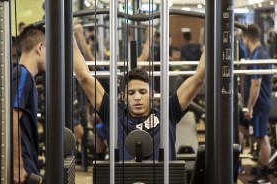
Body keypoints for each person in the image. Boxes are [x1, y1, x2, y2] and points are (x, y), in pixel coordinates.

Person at [72, 32, 205, 160]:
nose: (137, 97)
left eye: (142, 92)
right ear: (123, 97)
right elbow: (84, 77)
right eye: (131, 93)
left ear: (152, 95)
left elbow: (198, 78)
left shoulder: (168, 111)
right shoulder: (113, 113)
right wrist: (69, 35)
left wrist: (215, 33)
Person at [12, 26, 46, 183]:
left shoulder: (25, 77)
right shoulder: (22, 75)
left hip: (28, 163)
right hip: (24, 168)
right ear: (40, 47)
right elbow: (12, 118)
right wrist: (18, 167)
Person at [241, 24, 272, 184]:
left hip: (259, 104)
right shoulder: (259, 53)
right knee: (244, 129)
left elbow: (256, 85)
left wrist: (250, 107)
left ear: (246, 38)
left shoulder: (257, 56)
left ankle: (265, 175)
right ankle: (258, 166)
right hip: (260, 103)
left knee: (262, 138)